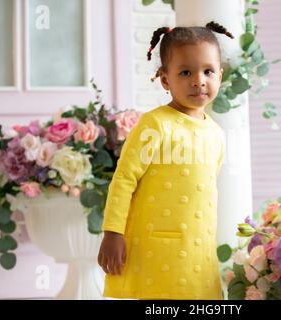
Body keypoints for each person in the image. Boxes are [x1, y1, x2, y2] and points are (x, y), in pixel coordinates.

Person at [97, 21, 233, 300]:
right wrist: (113, 232)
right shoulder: (155, 125)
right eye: (186, 72)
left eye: (208, 71)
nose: (199, 80)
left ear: (220, 75)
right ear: (166, 79)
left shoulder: (216, 134)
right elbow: (124, 180)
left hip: (199, 251)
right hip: (157, 249)